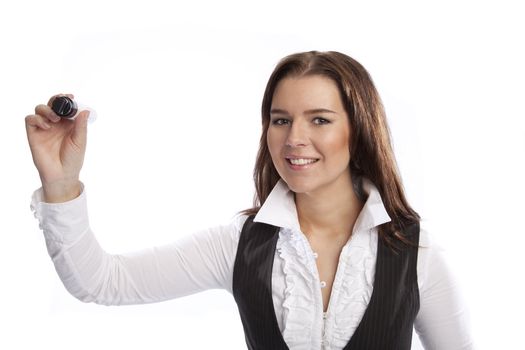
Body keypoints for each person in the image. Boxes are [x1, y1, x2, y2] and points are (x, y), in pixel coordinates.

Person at [26, 51, 473, 349]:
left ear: (358, 130)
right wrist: (61, 183)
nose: (295, 139)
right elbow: (103, 282)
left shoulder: (416, 253)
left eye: (319, 119)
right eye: (281, 120)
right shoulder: (240, 244)